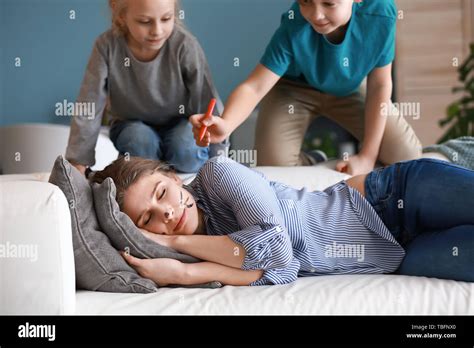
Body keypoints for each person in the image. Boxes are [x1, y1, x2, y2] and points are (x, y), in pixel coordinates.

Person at [89, 155, 474, 286]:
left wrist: (175, 248)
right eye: (149, 219)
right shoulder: (205, 253)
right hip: (397, 255)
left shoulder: (218, 173)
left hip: (391, 198)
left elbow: (275, 248)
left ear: (172, 177)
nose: (168, 214)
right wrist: (185, 272)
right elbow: (283, 270)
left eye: (161, 194)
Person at [190, 0, 421, 175]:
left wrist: (367, 157)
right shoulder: (294, 26)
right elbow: (255, 86)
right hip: (293, 91)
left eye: (328, 3)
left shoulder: (380, 13)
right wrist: (227, 124)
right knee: (274, 170)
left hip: (349, 88)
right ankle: (314, 160)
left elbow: (380, 85)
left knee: (407, 156)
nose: (316, 14)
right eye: (305, 1)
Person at [66, 0, 226, 174]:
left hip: (182, 123)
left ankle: (166, 167)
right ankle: (153, 170)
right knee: (139, 142)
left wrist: (219, 160)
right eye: (144, 21)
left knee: (185, 149)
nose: (157, 31)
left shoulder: (185, 45)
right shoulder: (106, 46)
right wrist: (78, 162)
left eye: (166, 19)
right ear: (121, 17)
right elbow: (89, 105)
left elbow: (207, 103)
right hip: (131, 126)